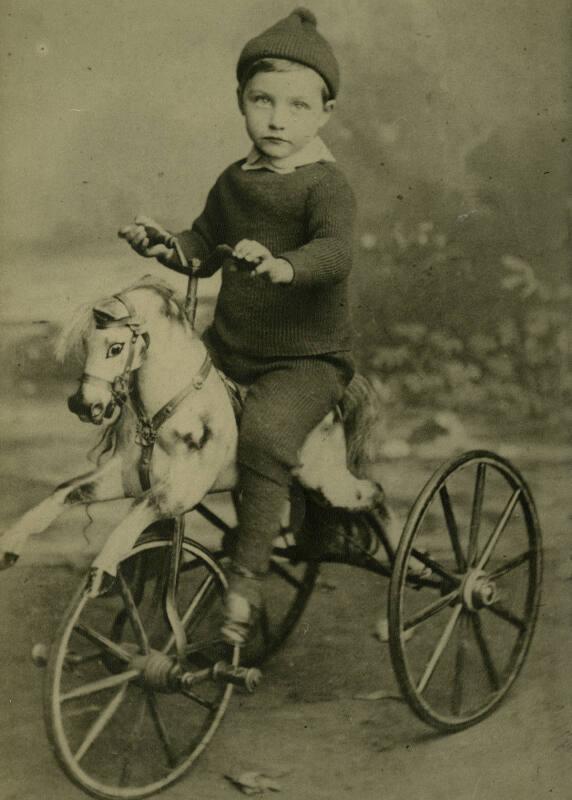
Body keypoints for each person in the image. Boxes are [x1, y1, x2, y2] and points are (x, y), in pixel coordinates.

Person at [119, 7, 358, 646]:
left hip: (303, 360)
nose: (278, 120)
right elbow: (204, 241)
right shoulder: (236, 180)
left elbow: (336, 252)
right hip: (229, 349)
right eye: (263, 101)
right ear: (241, 102)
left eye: (298, 107)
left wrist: (285, 264)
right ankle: (148, 556)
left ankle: (245, 582)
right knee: (161, 413)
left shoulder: (324, 186)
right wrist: (166, 246)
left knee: (265, 435)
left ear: (325, 114)